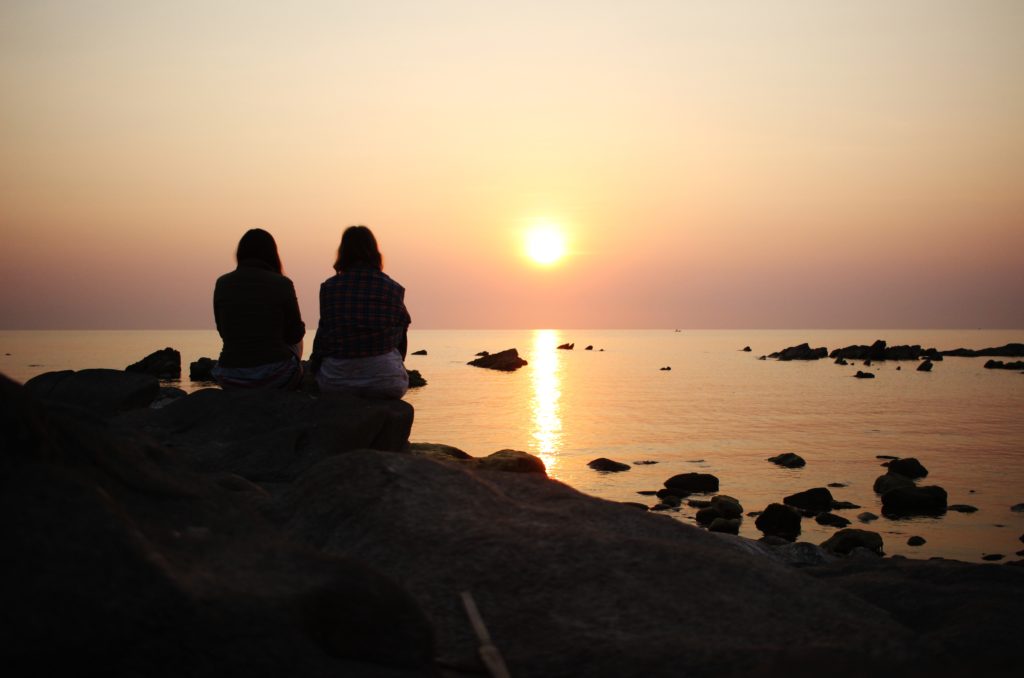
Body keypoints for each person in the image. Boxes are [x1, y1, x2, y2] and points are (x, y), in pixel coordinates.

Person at [311, 225, 411, 398]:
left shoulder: (329, 288)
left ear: (342, 253)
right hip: (386, 382)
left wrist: (313, 368)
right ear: (375, 253)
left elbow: (323, 337)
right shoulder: (393, 289)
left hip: (336, 382)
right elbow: (401, 336)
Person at [212, 229, 305, 389]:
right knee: (298, 341)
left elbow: (223, 331)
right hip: (274, 377)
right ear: (272, 255)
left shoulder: (222, 283)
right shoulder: (282, 283)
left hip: (229, 377)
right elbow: (295, 334)